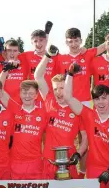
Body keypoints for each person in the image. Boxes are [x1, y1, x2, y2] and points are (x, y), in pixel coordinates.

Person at [34, 46, 88, 180]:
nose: (59, 92)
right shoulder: (49, 99)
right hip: (48, 160)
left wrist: (79, 154)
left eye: (62, 88)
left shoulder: (77, 108)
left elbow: (85, 137)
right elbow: (38, 76)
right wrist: (47, 55)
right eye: (56, 89)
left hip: (69, 160)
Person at [0, 64, 47, 180]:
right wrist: (5, 71)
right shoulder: (14, 109)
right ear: (20, 94)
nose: (27, 96)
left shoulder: (43, 112)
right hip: (15, 162)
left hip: (36, 163)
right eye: (24, 93)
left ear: (36, 96)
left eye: (31, 93)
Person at [0, 39, 30, 104]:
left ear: (18, 52)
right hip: (3, 104)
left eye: (15, 51)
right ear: (5, 52)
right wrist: (6, 68)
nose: (12, 53)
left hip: (20, 104)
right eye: (9, 50)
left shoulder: (24, 65)